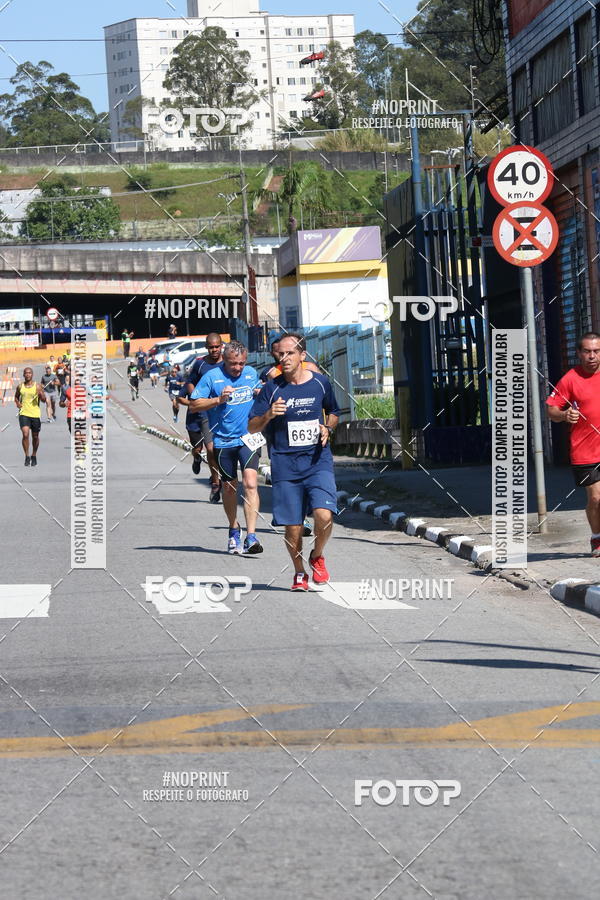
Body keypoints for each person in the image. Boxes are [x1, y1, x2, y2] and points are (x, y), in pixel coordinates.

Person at [248, 333, 340, 590]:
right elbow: (252, 426)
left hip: (317, 461)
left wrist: (327, 428)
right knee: (293, 529)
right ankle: (299, 572)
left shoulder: (320, 384)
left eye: (290, 353)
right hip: (285, 466)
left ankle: (317, 555)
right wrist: (268, 414)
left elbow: (334, 412)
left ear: (302, 355)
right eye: (280, 354)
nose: (284, 358)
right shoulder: (272, 388)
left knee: (324, 515)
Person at [189, 340, 263, 555]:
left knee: (250, 483)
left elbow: (258, 389)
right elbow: (194, 404)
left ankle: (251, 536)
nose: (237, 368)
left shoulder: (250, 373)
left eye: (241, 363)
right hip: (222, 441)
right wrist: (218, 400)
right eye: (233, 364)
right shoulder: (212, 376)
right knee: (229, 487)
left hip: (248, 439)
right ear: (224, 358)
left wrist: (260, 392)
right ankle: (233, 528)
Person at [547, 331, 600, 556]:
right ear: (579, 353)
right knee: (596, 498)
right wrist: (564, 416)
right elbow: (551, 409)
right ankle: (596, 538)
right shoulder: (570, 378)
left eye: (596, 351)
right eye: (587, 351)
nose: (592, 356)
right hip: (585, 451)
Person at [178, 333, 224, 494]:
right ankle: (216, 483)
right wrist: (196, 397)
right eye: (211, 347)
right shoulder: (200, 364)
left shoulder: (228, 363)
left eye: (217, 346)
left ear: (221, 346)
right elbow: (190, 382)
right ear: (206, 347)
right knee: (209, 449)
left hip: (224, 410)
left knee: (220, 448)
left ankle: (222, 476)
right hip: (205, 410)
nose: (214, 350)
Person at [15, 367, 46, 467]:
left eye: (29, 373)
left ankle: (34, 455)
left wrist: (41, 395)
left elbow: (44, 400)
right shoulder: (20, 386)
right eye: (26, 373)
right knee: (25, 434)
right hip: (24, 413)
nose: (28, 375)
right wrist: (18, 403)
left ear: (32, 375)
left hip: (35, 414)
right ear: (23, 375)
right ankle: (27, 456)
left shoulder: (37, 386)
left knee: (35, 436)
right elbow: (16, 397)